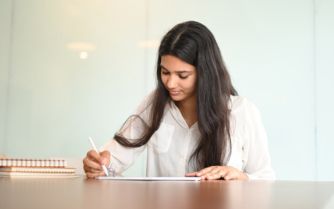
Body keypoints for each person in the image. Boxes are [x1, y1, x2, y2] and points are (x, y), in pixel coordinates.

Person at [83, 21, 275, 180]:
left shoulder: (241, 111)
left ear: (205, 73)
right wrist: (101, 163)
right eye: (165, 72)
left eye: (182, 75)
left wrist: (241, 176)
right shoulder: (154, 104)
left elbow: (266, 179)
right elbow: (114, 158)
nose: (170, 83)